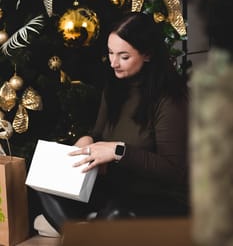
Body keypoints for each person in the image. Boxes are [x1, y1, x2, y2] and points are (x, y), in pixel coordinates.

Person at [36, 12, 189, 233]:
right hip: (116, 188)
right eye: (110, 53)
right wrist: (87, 140)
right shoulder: (115, 87)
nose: (114, 63)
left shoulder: (171, 98)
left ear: (147, 54)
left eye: (124, 56)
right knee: (44, 182)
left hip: (161, 197)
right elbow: (99, 135)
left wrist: (119, 152)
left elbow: (174, 172)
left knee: (117, 213)